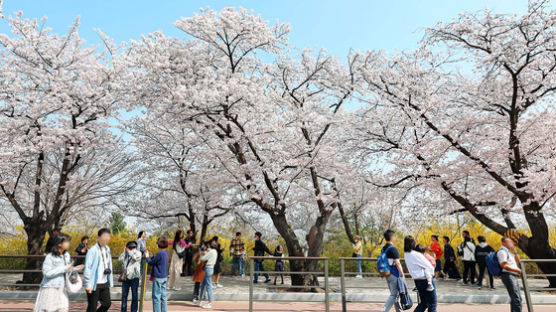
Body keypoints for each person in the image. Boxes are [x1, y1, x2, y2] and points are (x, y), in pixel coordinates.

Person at [34, 233, 84, 312]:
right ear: (59, 244)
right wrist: (64, 268)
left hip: (62, 288)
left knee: (63, 309)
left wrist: (75, 269)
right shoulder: (50, 257)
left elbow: (67, 270)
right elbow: (46, 273)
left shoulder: (67, 255)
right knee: (49, 310)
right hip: (51, 288)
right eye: (67, 241)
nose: (68, 243)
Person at [404, 235, 437, 312]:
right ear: (413, 243)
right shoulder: (416, 254)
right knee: (432, 303)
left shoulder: (406, 254)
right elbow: (428, 266)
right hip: (425, 280)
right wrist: (432, 273)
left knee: (424, 303)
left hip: (417, 280)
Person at [84, 228, 114, 312]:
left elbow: (109, 264)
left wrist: (110, 280)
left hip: (104, 282)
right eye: (104, 236)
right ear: (99, 237)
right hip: (94, 283)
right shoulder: (93, 250)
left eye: (108, 236)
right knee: (92, 307)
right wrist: (88, 284)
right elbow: (87, 268)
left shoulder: (107, 249)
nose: (107, 238)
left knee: (107, 304)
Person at [380, 229, 404, 312]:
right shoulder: (393, 249)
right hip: (394, 273)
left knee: (394, 294)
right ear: (391, 237)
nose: (395, 237)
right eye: (394, 236)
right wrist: (402, 273)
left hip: (386, 273)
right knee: (394, 295)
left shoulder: (383, 248)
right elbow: (397, 263)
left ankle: (400, 311)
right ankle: (384, 310)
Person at [498, 237, 522, 312]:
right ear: (504, 243)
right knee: (516, 298)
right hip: (508, 275)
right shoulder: (502, 252)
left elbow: (518, 261)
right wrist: (517, 270)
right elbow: (504, 266)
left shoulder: (508, 252)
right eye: (510, 242)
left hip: (512, 276)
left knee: (517, 298)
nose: (512, 244)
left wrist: (515, 252)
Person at [146, 237, 170, 312]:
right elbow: (158, 261)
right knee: (163, 297)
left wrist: (147, 257)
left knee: (156, 297)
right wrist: (152, 257)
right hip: (164, 277)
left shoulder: (160, 254)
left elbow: (151, 263)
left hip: (158, 277)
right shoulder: (167, 252)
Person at [119, 241, 142, 312]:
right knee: (124, 296)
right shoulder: (126, 253)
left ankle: (134, 310)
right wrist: (124, 252)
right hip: (126, 277)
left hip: (134, 277)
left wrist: (129, 252)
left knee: (134, 296)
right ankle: (123, 310)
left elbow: (135, 258)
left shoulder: (138, 253)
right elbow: (120, 259)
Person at [199, 240, 217, 309]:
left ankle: (209, 302)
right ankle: (200, 300)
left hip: (208, 269)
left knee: (208, 286)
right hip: (210, 269)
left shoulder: (211, 252)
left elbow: (203, 259)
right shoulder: (214, 251)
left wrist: (202, 253)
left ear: (210, 245)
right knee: (203, 284)